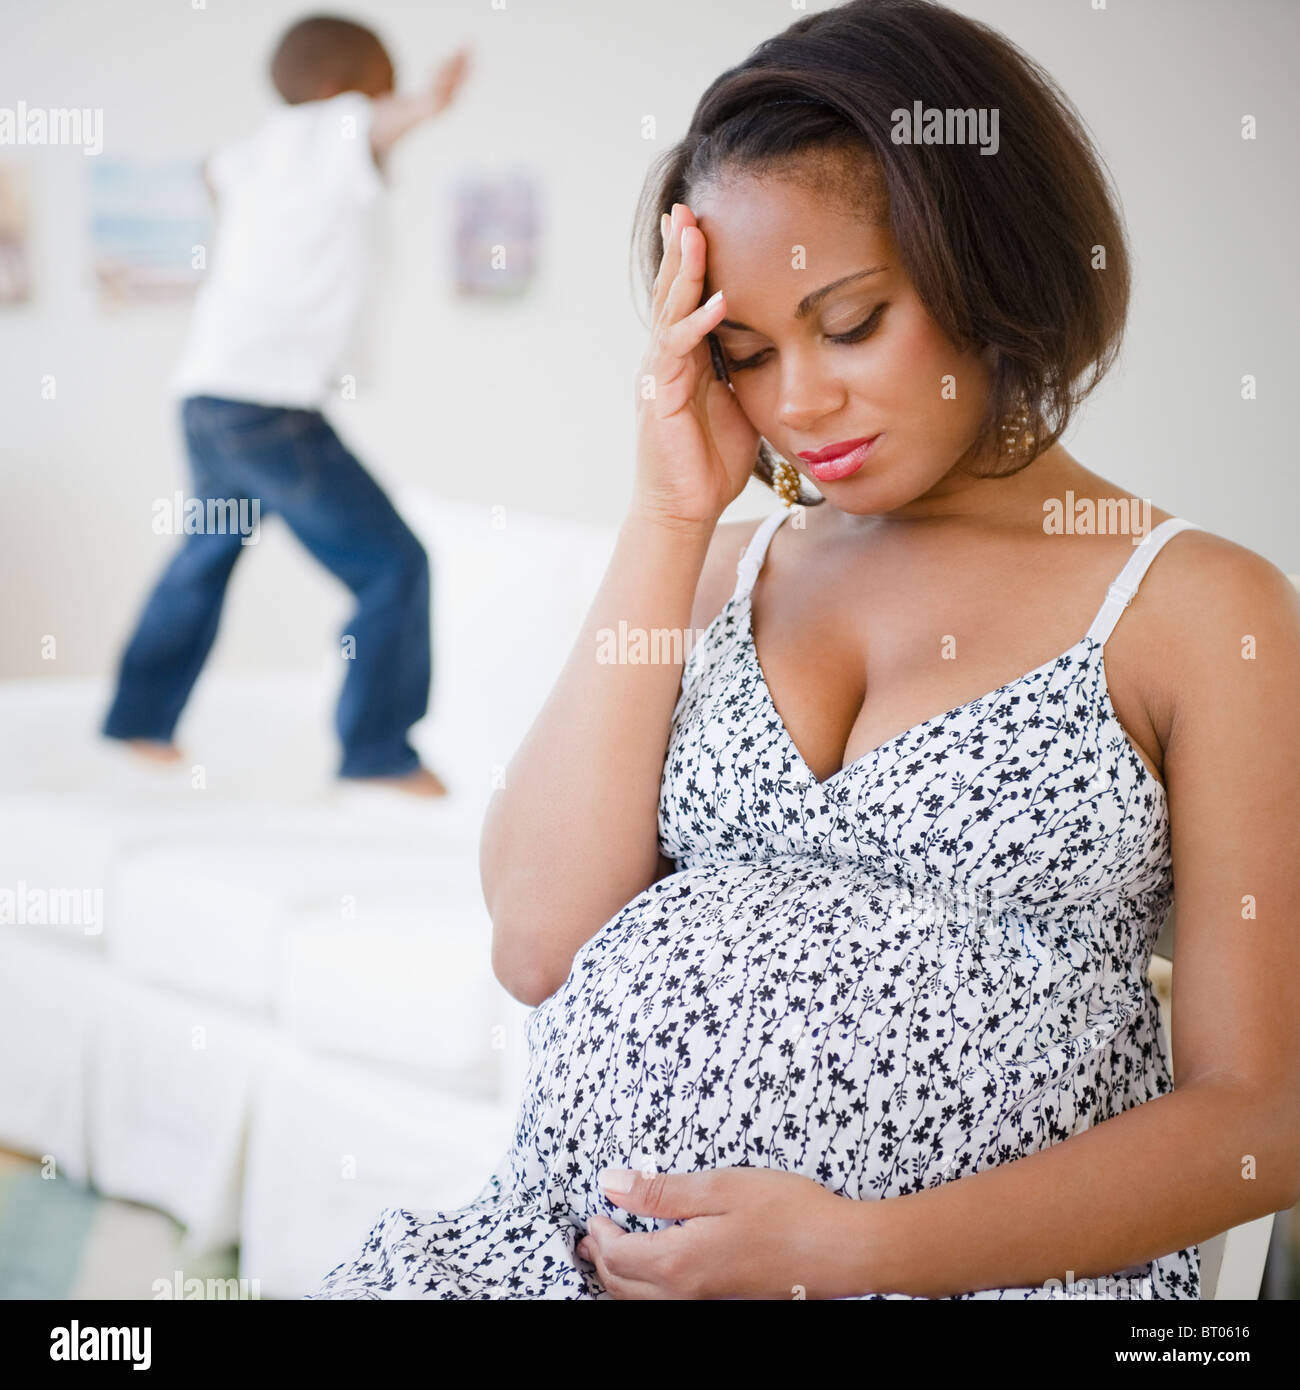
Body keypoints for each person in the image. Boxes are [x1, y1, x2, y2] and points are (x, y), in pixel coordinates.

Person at [309, 0, 1300, 1297]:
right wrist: (671, 513)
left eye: (849, 321)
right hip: (553, 1257)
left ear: (993, 267)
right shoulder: (721, 566)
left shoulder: (1199, 608)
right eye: (745, 350)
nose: (798, 403)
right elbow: (537, 942)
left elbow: (1262, 1121)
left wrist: (853, 1250)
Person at [102, 16, 470, 796]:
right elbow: (376, 121)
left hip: (207, 396)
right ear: (344, 90)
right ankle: (378, 751)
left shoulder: (256, 154)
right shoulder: (325, 130)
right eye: (382, 87)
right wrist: (430, 101)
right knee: (394, 564)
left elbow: (209, 172)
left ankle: (139, 718)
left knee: (205, 556)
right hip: (268, 408)